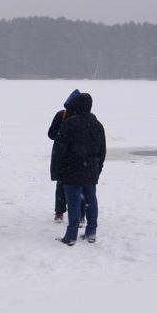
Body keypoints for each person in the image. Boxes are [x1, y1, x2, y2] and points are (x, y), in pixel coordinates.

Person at [50, 92, 106, 246]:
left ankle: (71, 235)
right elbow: (102, 151)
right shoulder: (97, 125)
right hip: (90, 171)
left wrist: (55, 171)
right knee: (90, 202)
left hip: (71, 171)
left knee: (73, 203)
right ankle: (91, 232)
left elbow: (59, 150)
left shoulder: (69, 124)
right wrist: (98, 168)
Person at [47, 89, 86, 223]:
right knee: (62, 184)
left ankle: (80, 215)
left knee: (78, 185)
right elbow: (51, 134)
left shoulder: (83, 116)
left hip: (77, 156)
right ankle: (59, 212)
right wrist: (63, 137)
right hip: (62, 155)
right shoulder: (61, 115)